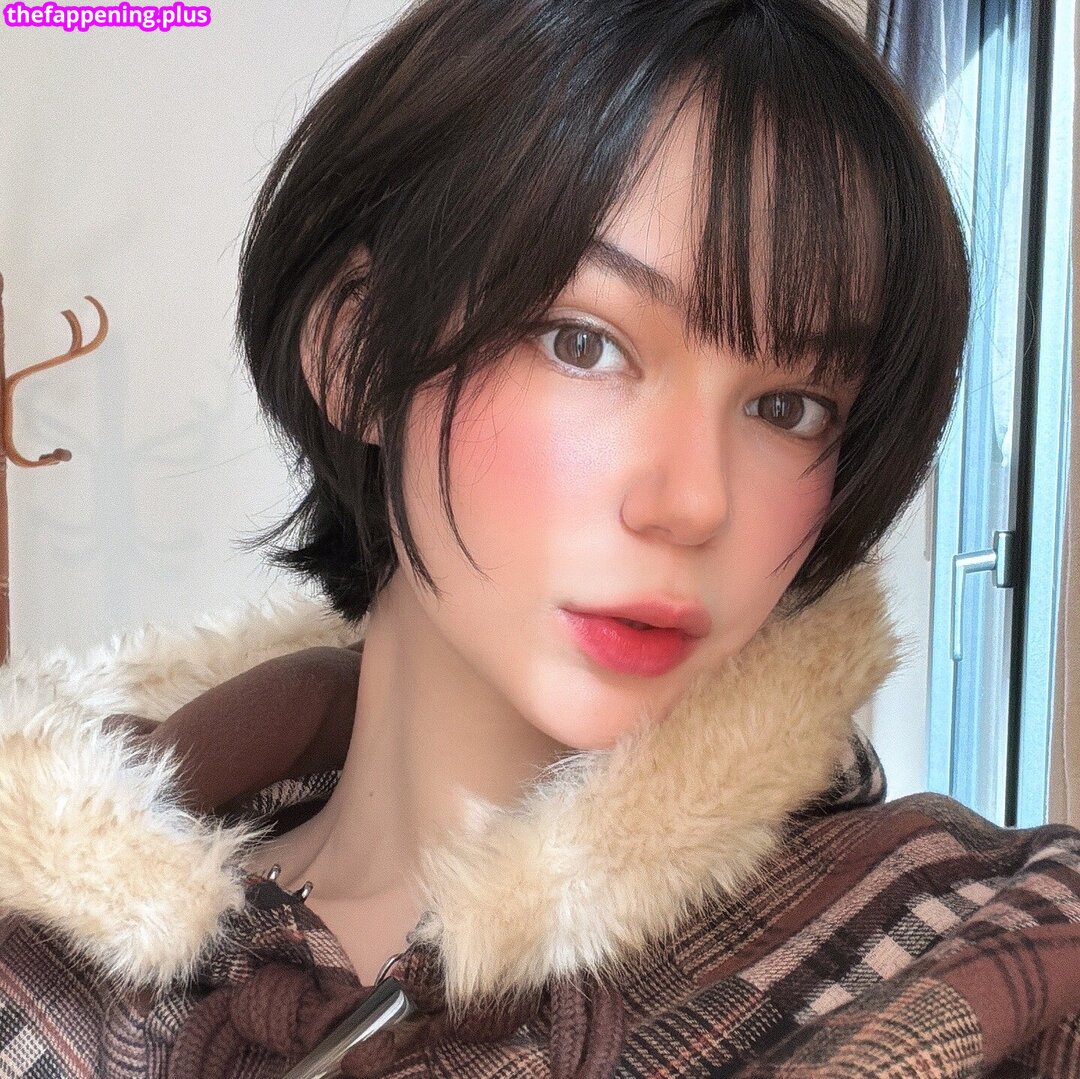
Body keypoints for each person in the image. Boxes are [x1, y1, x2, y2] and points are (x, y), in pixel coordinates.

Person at [1, 0, 1077, 1077]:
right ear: (356, 348)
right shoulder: (45, 956)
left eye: (788, 407)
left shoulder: (972, 942)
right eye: (585, 342)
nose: (694, 501)